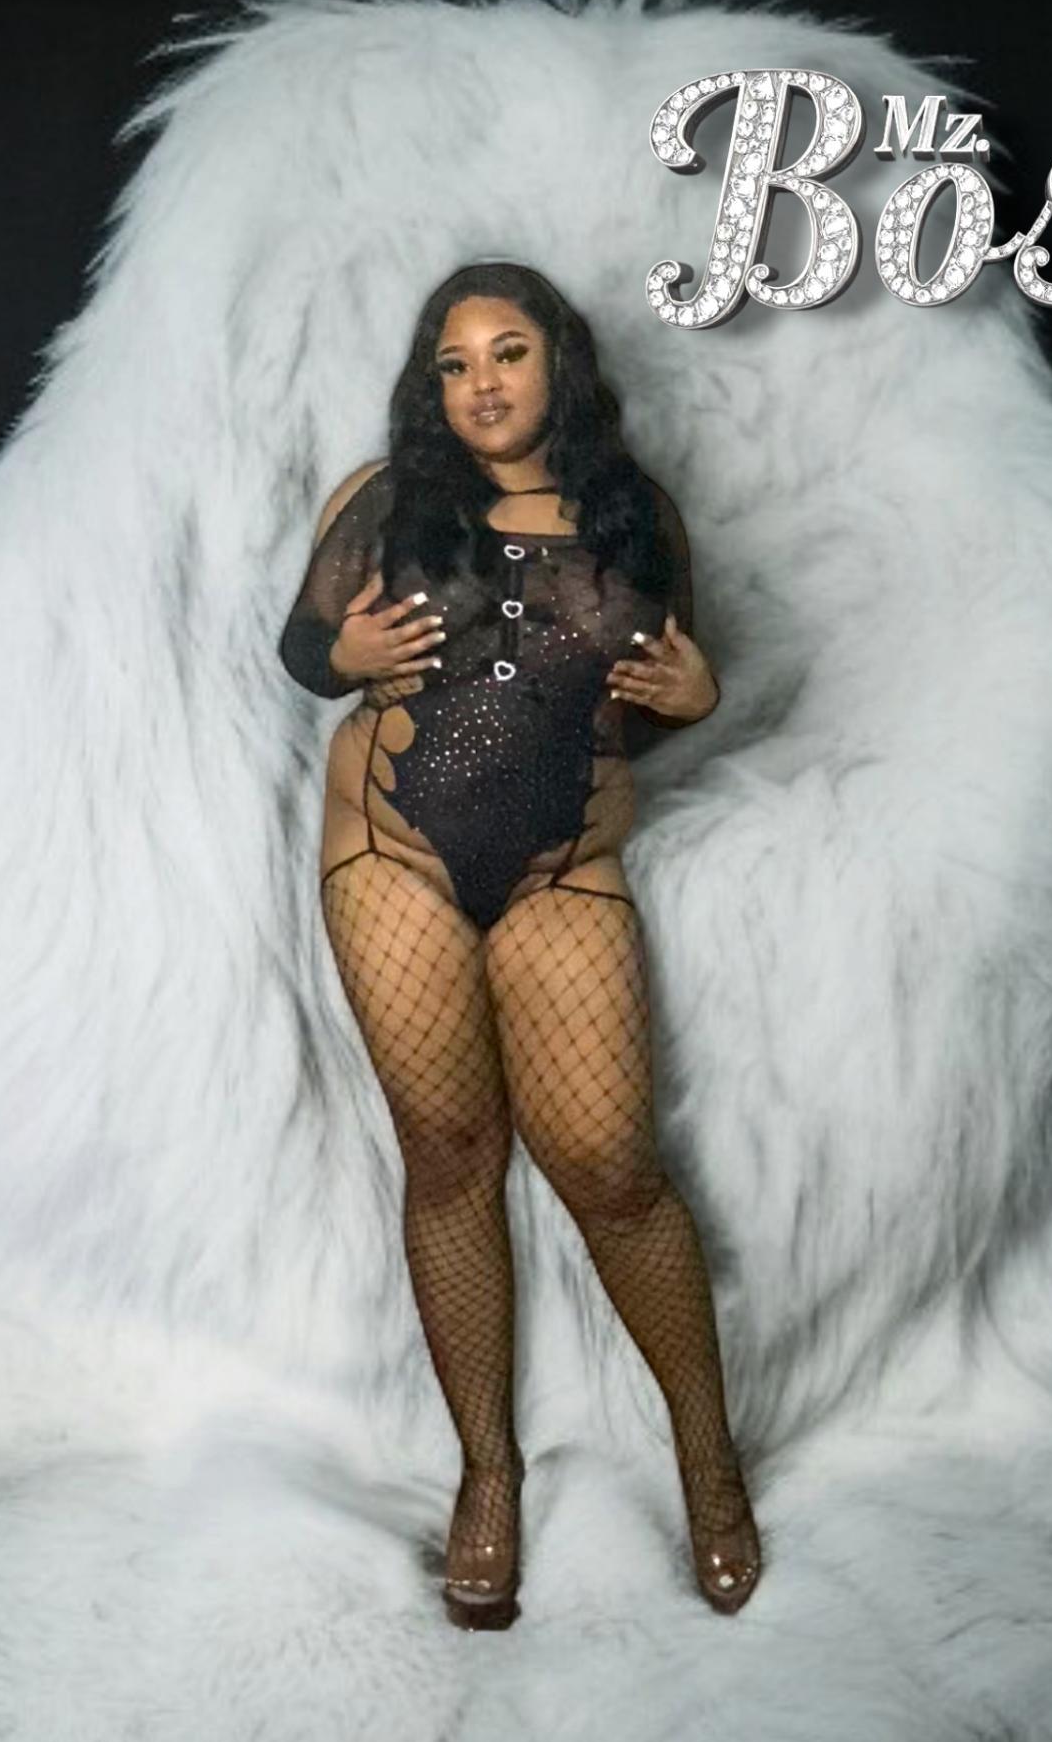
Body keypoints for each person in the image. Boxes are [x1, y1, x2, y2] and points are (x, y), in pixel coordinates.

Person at [277, 260, 760, 1629]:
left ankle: (709, 1467)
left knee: (609, 1168)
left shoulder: (634, 515)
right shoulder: (385, 503)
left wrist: (700, 694)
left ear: (561, 364)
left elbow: (641, 705)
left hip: (563, 868)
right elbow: (305, 651)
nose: (482, 384)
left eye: (508, 354)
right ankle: (486, 1477)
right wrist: (344, 660)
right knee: (448, 1155)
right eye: (455, 363)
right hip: (392, 857)